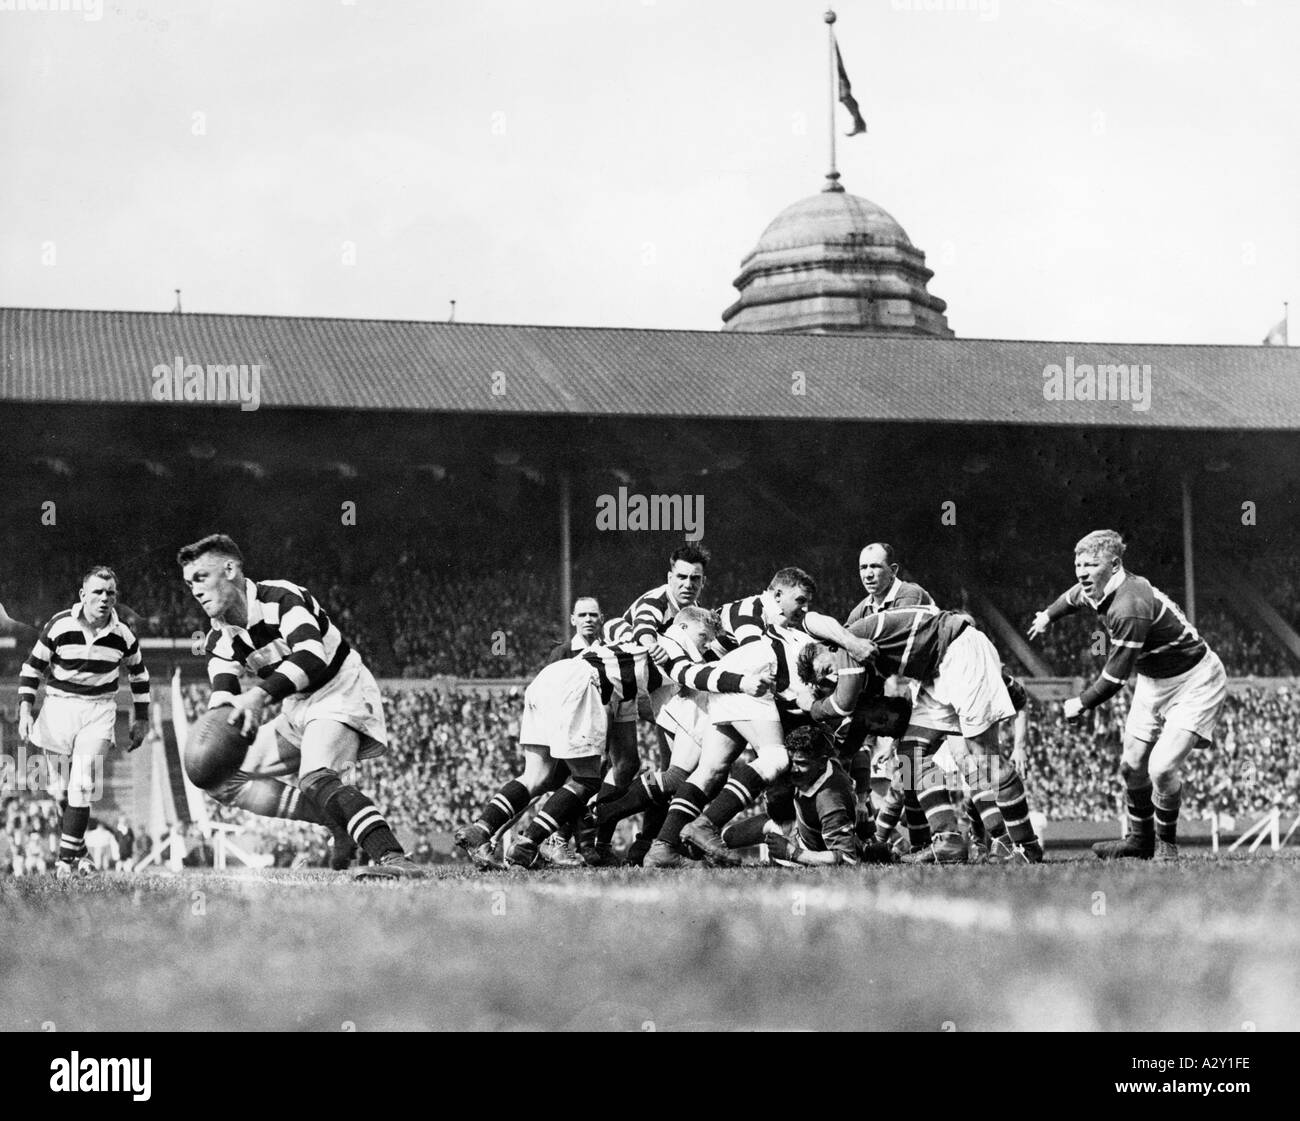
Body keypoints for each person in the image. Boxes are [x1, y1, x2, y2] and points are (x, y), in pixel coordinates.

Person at [176, 533, 422, 879]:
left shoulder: (281, 597)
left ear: (230, 569)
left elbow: (311, 658)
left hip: (339, 689)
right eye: (189, 584)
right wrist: (220, 726)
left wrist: (259, 696)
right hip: (296, 705)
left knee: (314, 778)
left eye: (201, 577)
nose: (195, 590)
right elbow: (223, 700)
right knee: (220, 781)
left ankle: (394, 858)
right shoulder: (218, 638)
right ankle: (335, 820)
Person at [454, 606, 772, 870]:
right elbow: (691, 674)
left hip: (555, 680)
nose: (703, 645)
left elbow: (627, 757)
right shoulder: (671, 644)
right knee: (586, 780)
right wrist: (741, 682)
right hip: (584, 683)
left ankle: (481, 829)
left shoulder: (635, 649)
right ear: (682, 625)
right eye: (702, 637)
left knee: (537, 775)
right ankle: (528, 843)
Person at [1028, 529, 1227, 861]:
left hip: (1195, 680)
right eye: (1077, 564)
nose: (1081, 572)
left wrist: (1080, 702)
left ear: (1115, 564)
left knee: (1161, 769)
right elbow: (1074, 595)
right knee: (1131, 765)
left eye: (1090, 565)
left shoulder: (1130, 605)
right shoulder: (1101, 587)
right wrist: (1048, 615)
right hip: (1153, 679)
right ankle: (1139, 841)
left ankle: (1167, 845)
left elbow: (1115, 679)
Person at [798, 605, 1044, 864]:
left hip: (959, 654)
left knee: (983, 758)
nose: (833, 676)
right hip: (935, 673)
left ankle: (1026, 846)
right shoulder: (853, 653)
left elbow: (842, 701)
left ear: (829, 646)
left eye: (826, 669)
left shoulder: (847, 643)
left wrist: (812, 707)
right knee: (909, 754)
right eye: (825, 678)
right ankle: (948, 839)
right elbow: (858, 717)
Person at [17, 565, 149, 878]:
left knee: (83, 783)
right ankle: (82, 854)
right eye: (98, 592)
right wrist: (25, 710)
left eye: (110, 593)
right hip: (58, 710)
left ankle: (64, 864)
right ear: (83, 595)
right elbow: (32, 669)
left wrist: (141, 718)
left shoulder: (123, 635)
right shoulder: (59, 626)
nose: (104, 599)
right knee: (61, 792)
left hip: (98, 711)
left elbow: (139, 675)